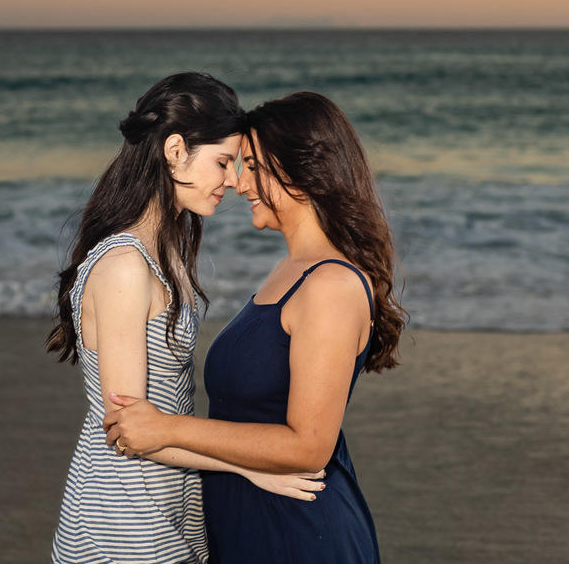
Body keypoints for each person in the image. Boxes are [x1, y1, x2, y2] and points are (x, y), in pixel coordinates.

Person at [104, 91, 407, 564]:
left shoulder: (330, 284)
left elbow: (309, 446)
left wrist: (167, 428)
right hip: (250, 520)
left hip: (300, 532)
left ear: (299, 171)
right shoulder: (289, 271)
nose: (239, 184)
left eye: (251, 166)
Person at [46, 73, 324, 564]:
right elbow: (128, 430)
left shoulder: (168, 251)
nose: (233, 181)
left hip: (169, 507)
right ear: (175, 151)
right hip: (121, 525)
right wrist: (249, 467)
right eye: (222, 161)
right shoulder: (125, 265)